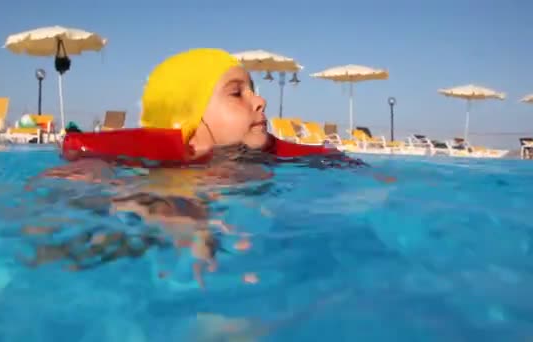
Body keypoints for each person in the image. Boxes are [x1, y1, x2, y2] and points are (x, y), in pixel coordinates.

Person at [26, 48, 371, 287]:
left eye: (253, 90)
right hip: (170, 200)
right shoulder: (195, 164)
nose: (259, 100)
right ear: (190, 125)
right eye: (237, 93)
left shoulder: (263, 157)